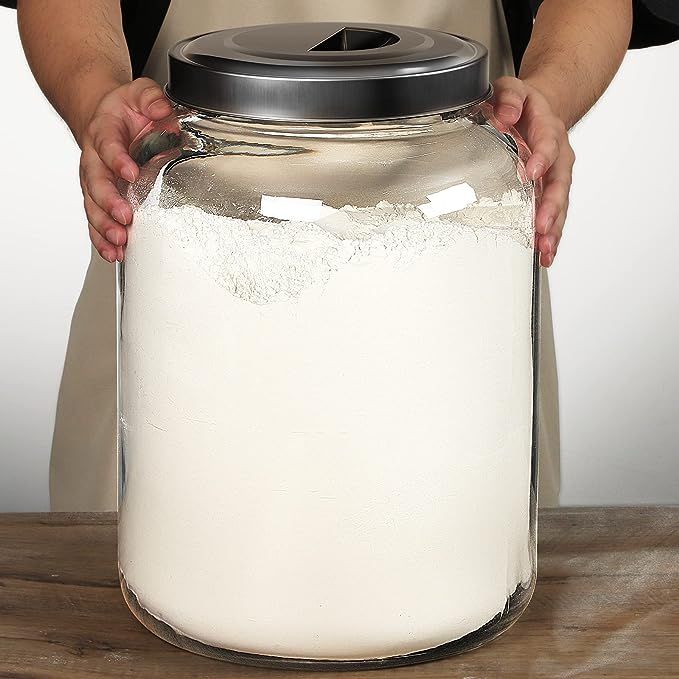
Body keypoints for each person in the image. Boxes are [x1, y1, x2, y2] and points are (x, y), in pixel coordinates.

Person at [5, 0, 637, 511]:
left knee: (447, 541)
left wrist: (544, 98)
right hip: (183, 215)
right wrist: (99, 99)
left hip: (456, 222)